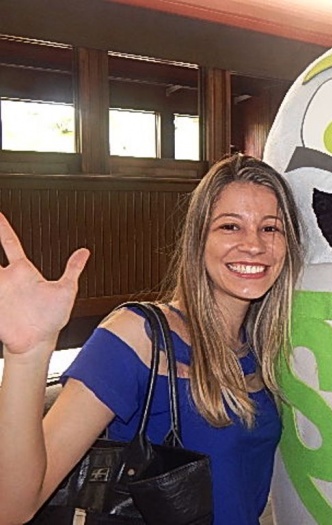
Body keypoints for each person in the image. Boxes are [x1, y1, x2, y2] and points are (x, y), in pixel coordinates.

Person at [0, 153, 303, 525]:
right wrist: (28, 354)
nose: (253, 244)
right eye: (230, 226)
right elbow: (11, 507)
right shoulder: (137, 336)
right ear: (198, 240)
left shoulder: (263, 349)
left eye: (270, 228)